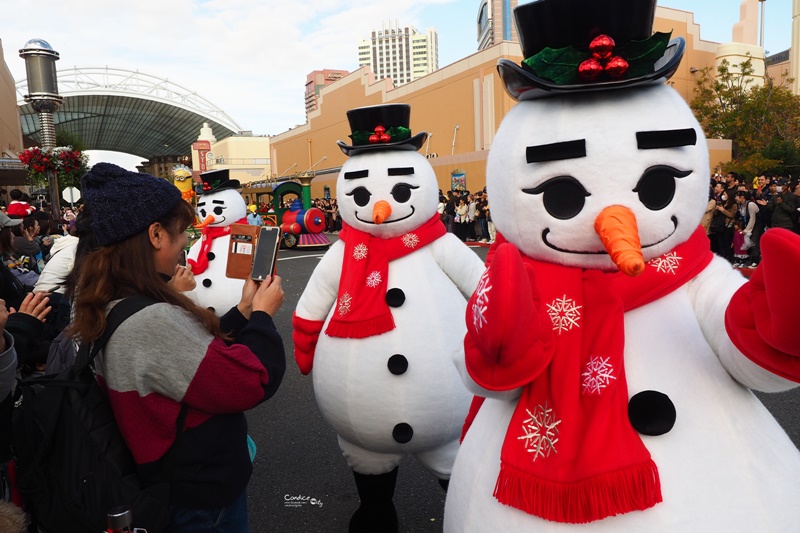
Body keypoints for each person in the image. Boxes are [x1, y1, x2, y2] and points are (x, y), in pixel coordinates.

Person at [67, 163, 286, 532]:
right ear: (155, 235)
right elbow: (249, 380)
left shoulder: (114, 302)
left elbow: (191, 359)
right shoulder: (151, 321)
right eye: (182, 231)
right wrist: (263, 317)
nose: (186, 241)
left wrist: (245, 311)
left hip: (164, 480)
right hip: (198, 498)